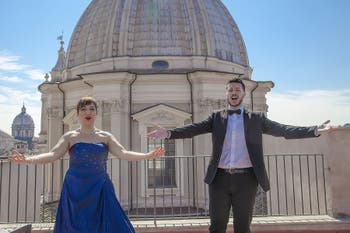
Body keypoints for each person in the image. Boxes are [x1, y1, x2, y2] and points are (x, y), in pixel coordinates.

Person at [147, 78, 337, 233]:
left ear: (243, 94)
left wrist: (314, 130)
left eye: (237, 90)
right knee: (216, 226)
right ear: (226, 94)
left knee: (243, 227)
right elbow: (194, 129)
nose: (234, 93)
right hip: (219, 179)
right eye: (230, 90)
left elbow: (283, 130)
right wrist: (169, 133)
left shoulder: (257, 119)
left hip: (247, 179)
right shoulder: (216, 117)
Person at [9, 96, 165, 233]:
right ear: (78, 114)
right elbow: (52, 155)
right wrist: (28, 159)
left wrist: (147, 155)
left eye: (92, 109)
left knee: (107, 223)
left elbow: (123, 153)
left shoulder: (106, 137)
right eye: (83, 109)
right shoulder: (70, 136)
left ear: (97, 113)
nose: (88, 112)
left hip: (100, 187)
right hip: (75, 189)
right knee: (76, 225)